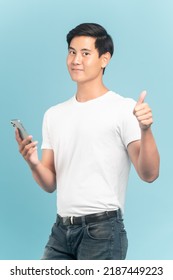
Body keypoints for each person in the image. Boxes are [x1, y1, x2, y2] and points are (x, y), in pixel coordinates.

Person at [15, 23, 160, 260]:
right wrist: (32, 163)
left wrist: (146, 130)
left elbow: (150, 173)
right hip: (61, 231)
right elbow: (50, 183)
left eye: (85, 53)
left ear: (104, 59)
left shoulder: (123, 109)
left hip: (102, 231)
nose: (75, 60)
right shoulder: (54, 114)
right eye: (72, 52)